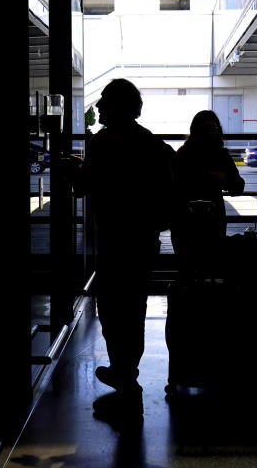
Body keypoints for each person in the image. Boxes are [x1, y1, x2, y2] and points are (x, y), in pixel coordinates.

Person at [66, 79, 177, 415]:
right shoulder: (150, 142)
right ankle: (129, 374)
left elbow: (83, 187)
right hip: (143, 239)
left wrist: (73, 169)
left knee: (113, 309)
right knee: (134, 308)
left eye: (104, 102)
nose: (98, 107)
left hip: (114, 239)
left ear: (118, 106)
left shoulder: (103, 142)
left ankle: (123, 376)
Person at [170, 110, 245, 281]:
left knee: (187, 272)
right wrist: (223, 179)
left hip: (185, 220)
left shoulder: (183, 154)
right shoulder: (220, 155)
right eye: (207, 128)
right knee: (211, 272)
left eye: (212, 128)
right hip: (212, 220)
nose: (209, 132)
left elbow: (173, 186)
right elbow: (237, 187)